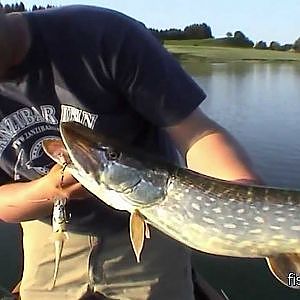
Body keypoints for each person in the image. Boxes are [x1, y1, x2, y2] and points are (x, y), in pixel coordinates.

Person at [0, 5, 259, 300]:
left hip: (154, 226)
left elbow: (197, 133)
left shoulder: (101, 36)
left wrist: (246, 199)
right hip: (49, 236)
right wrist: (49, 189)